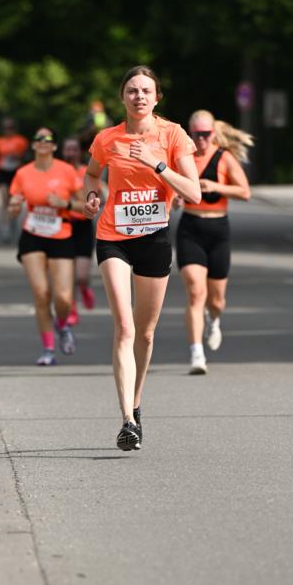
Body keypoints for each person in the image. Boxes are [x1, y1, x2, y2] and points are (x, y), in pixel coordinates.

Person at [83, 66, 200, 451]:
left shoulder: (173, 135)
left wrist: (156, 163)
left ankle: (136, 402)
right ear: (122, 97)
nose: (139, 97)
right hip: (113, 236)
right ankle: (127, 421)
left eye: (146, 91)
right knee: (125, 327)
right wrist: (92, 196)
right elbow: (92, 175)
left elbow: (194, 193)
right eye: (132, 91)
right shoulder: (107, 138)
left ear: (157, 97)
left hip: (154, 238)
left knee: (146, 333)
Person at [176, 110, 252, 374]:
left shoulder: (224, 157)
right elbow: (169, 186)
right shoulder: (182, 157)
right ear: (190, 133)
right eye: (196, 134)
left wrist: (216, 186)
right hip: (190, 228)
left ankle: (214, 319)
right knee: (196, 291)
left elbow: (245, 192)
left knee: (216, 299)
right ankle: (196, 353)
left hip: (218, 229)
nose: (201, 139)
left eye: (206, 134)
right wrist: (174, 197)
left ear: (213, 133)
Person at [8, 127, 83, 365]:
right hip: (33, 235)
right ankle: (48, 349)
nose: (42, 142)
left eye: (47, 139)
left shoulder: (67, 171)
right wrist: (14, 206)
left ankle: (62, 325)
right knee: (41, 294)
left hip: (61, 234)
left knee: (63, 298)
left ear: (54, 146)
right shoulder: (22, 173)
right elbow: (12, 210)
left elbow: (85, 206)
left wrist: (65, 203)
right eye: (38, 138)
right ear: (33, 145)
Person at [61, 136, 96, 326]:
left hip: (83, 226)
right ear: (62, 152)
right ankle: (72, 309)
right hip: (63, 226)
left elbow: (95, 195)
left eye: (74, 149)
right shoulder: (56, 172)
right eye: (68, 149)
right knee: (68, 276)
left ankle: (85, 287)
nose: (71, 153)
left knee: (81, 276)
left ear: (80, 152)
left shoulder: (86, 172)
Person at [0, 117, 29, 242]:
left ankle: (13, 219)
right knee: (4, 200)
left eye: (10, 128)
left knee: (14, 201)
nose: (8, 130)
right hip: (3, 172)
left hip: (16, 173)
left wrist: (18, 157)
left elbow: (27, 157)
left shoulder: (21, 141)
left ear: (14, 128)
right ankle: (5, 228)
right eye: (5, 128)